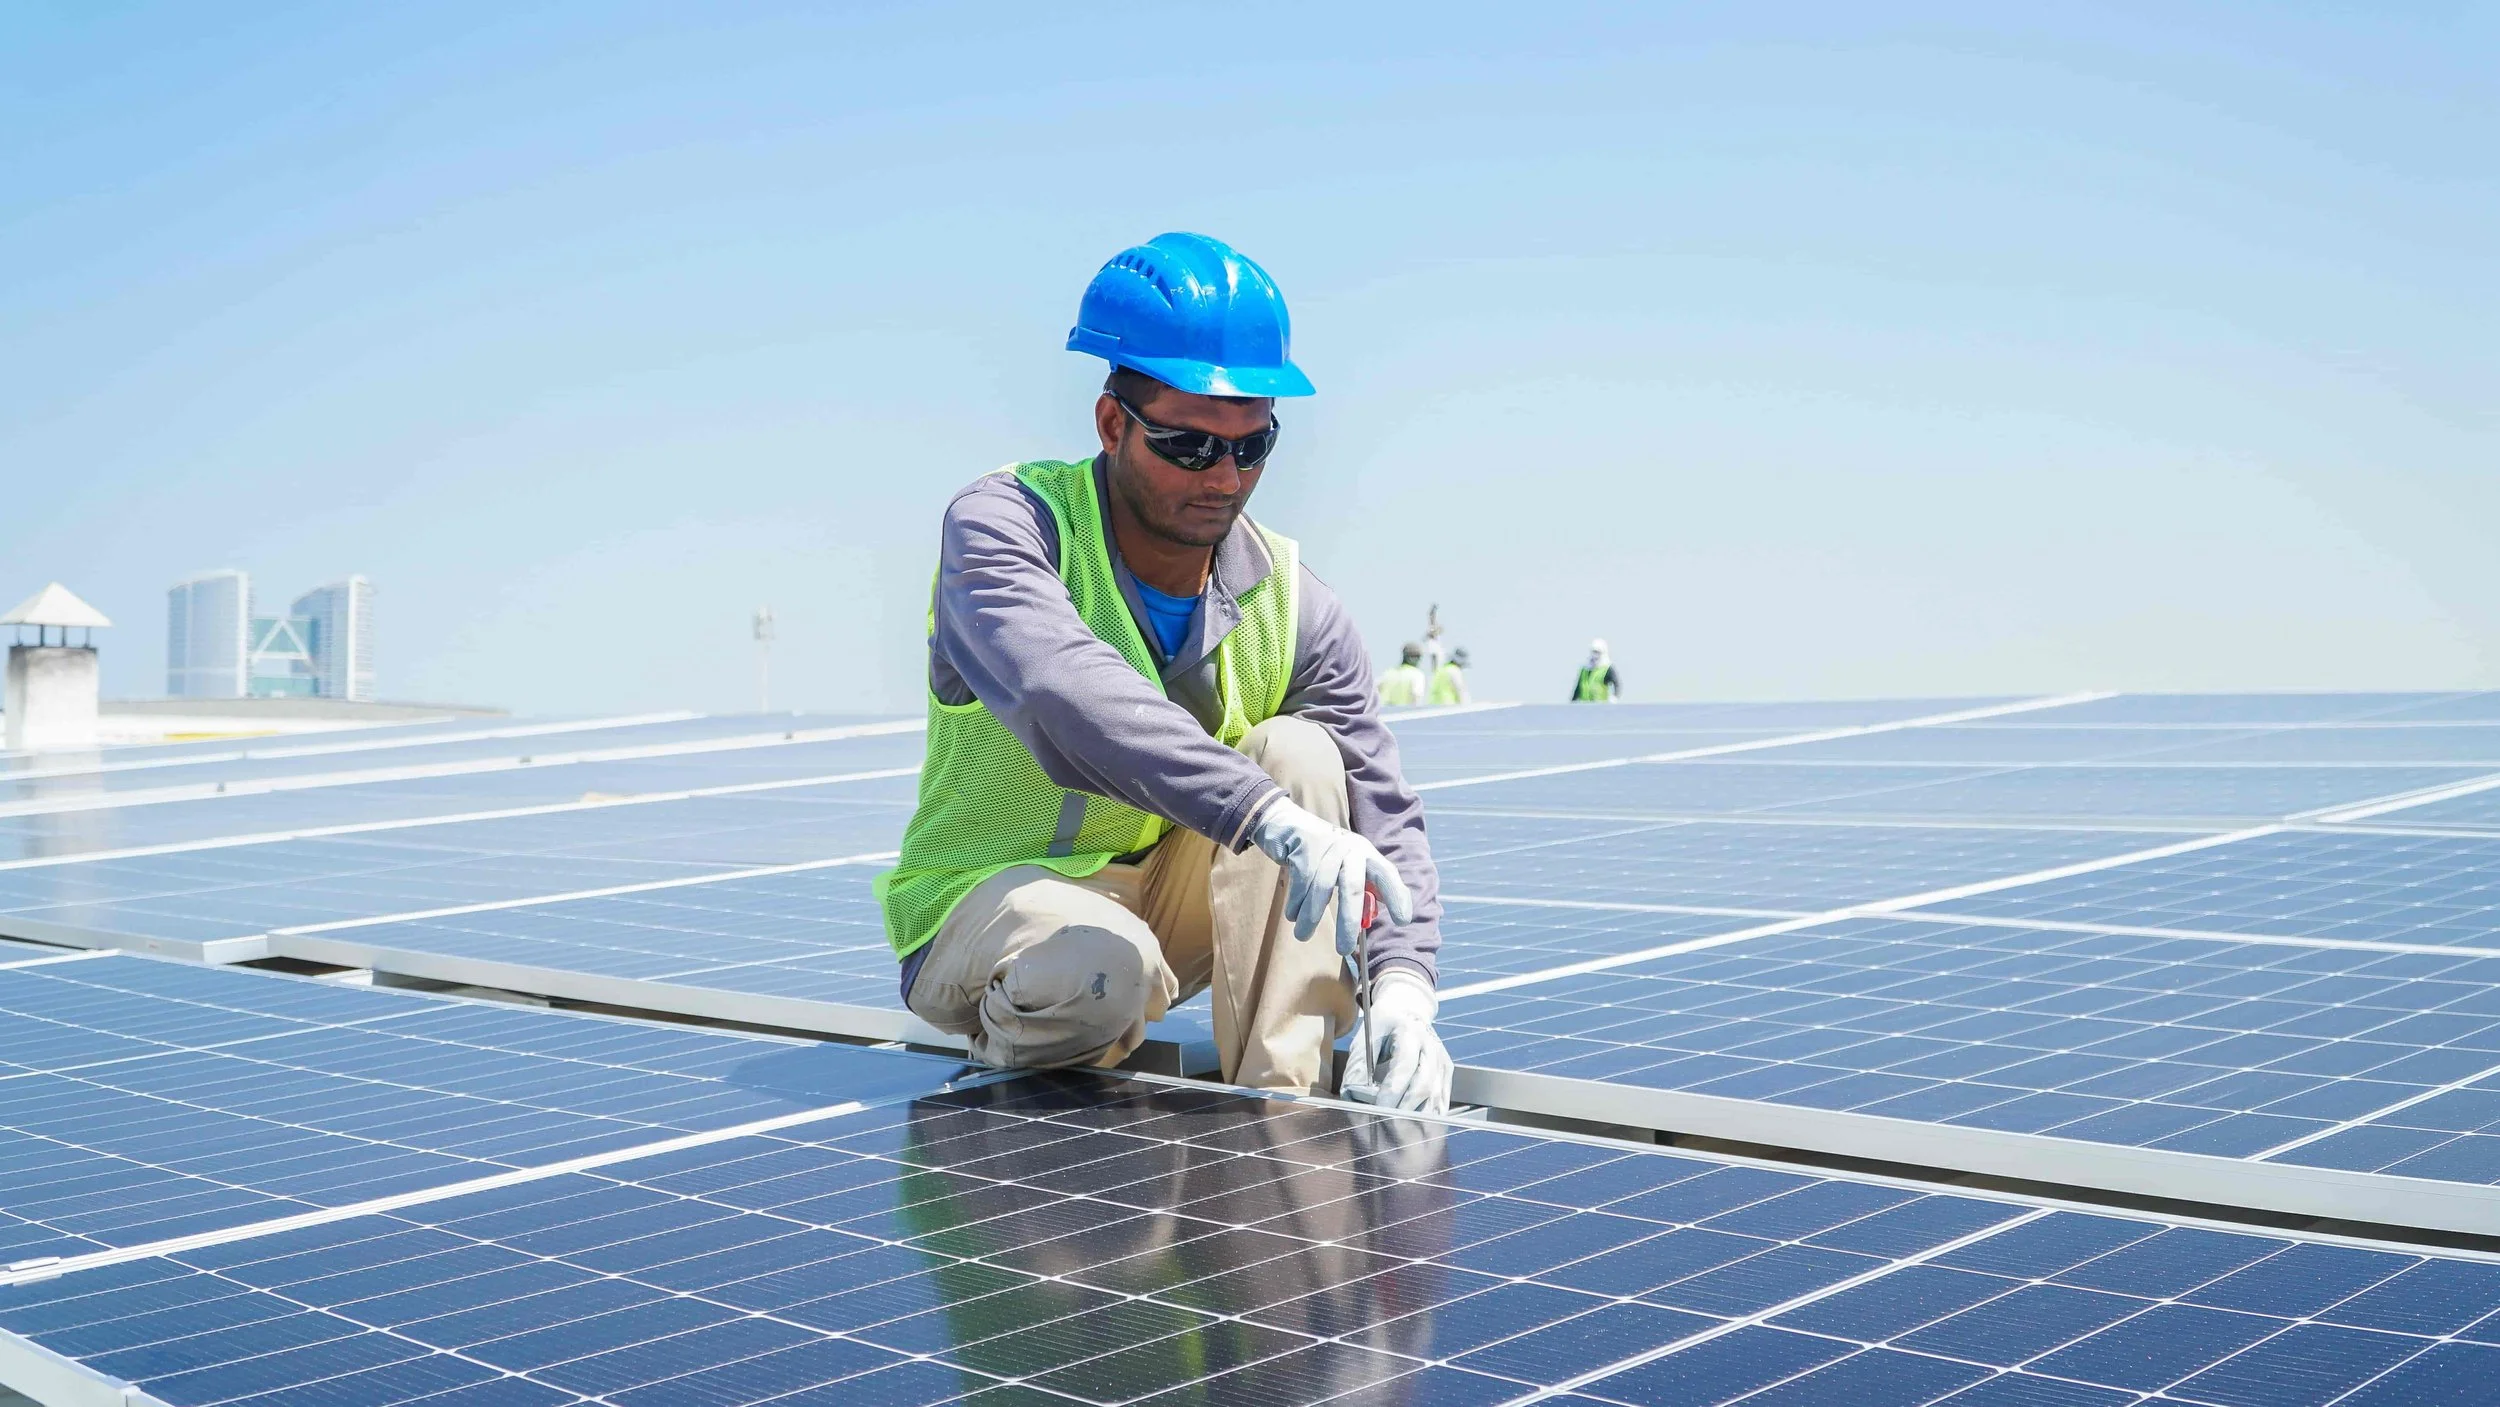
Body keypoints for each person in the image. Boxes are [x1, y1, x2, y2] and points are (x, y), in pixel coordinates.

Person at [875, 231, 1453, 1114]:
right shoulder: (1007, 529)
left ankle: (1283, 1117)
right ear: (1113, 425)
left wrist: (1406, 987)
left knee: (1303, 755)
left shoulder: (1294, 602)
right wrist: (1261, 815)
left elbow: (1381, 806)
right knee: (1101, 968)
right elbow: (1061, 689)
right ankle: (1022, 1064)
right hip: (988, 908)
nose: (1224, 477)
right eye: (1190, 446)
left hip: (1160, 912)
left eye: (1252, 447)